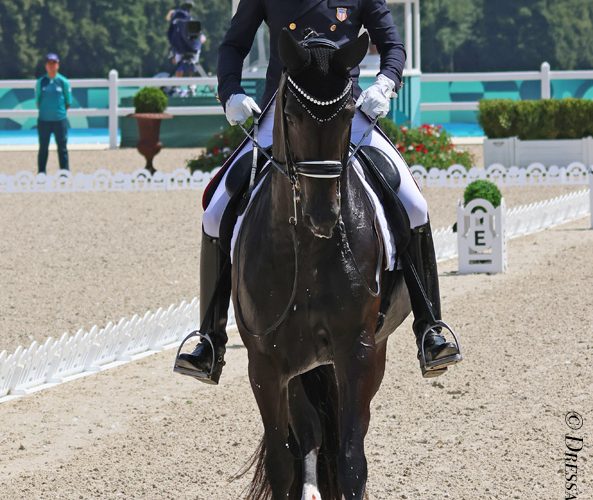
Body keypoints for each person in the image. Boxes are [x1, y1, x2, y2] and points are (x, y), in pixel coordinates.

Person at [175, 0, 462, 382]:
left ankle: (429, 329)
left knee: (414, 204)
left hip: (344, 111)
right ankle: (210, 341)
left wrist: (385, 82)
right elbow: (233, 45)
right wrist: (230, 92)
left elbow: (393, 45)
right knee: (216, 211)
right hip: (285, 113)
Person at [36, 53, 71, 174]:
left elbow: (68, 102)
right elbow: (38, 101)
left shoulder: (63, 82)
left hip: (59, 121)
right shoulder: (41, 82)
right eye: (49, 63)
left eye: (54, 63)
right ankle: (41, 172)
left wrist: (58, 113)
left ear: (58, 65)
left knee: (62, 148)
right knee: (43, 148)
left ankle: (64, 173)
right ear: (46, 65)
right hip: (44, 121)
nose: (51, 66)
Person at [166, 1, 206, 77]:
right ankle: (191, 85)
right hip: (189, 48)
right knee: (192, 65)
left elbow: (171, 36)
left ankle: (177, 85)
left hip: (179, 48)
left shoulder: (176, 19)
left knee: (179, 67)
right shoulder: (188, 18)